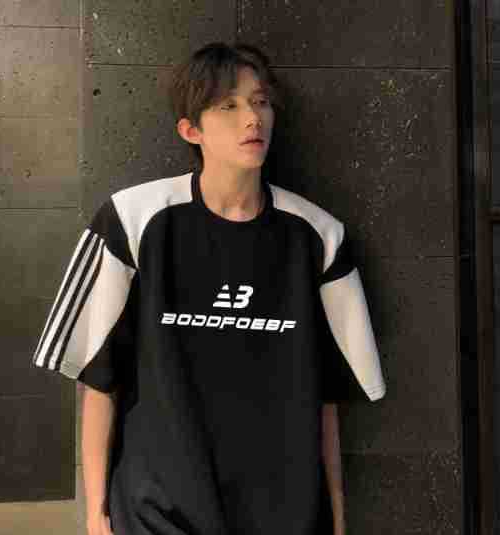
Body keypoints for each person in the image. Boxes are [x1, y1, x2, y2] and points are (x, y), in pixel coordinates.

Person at [32, 41, 386, 535]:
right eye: (228, 105)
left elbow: (325, 401)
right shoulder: (131, 220)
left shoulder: (320, 236)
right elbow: (98, 380)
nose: (253, 119)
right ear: (191, 130)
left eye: (260, 102)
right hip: (157, 512)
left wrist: (337, 517)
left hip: (284, 516)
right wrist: (96, 516)